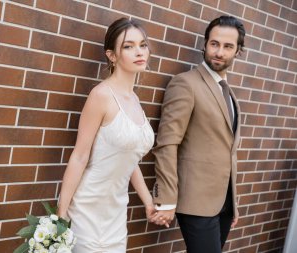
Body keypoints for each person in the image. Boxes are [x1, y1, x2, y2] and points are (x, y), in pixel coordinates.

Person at [57, 17, 155, 252]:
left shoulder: (134, 100)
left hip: (116, 214)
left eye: (142, 44)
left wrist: (148, 202)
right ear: (112, 55)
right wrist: (61, 215)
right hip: (87, 210)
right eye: (128, 46)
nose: (139, 51)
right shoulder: (101, 95)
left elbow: (129, 159)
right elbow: (79, 156)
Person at [151, 15, 245, 252]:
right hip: (195, 201)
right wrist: (167, 198)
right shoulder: (186, 84)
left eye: (227, 46)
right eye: (214, 44)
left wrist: (231, 200)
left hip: (222, 202)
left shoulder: (228, 92)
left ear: (238, 51)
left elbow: (226, 148)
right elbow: (167, 143)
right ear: (205, 44)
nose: (219, 52)